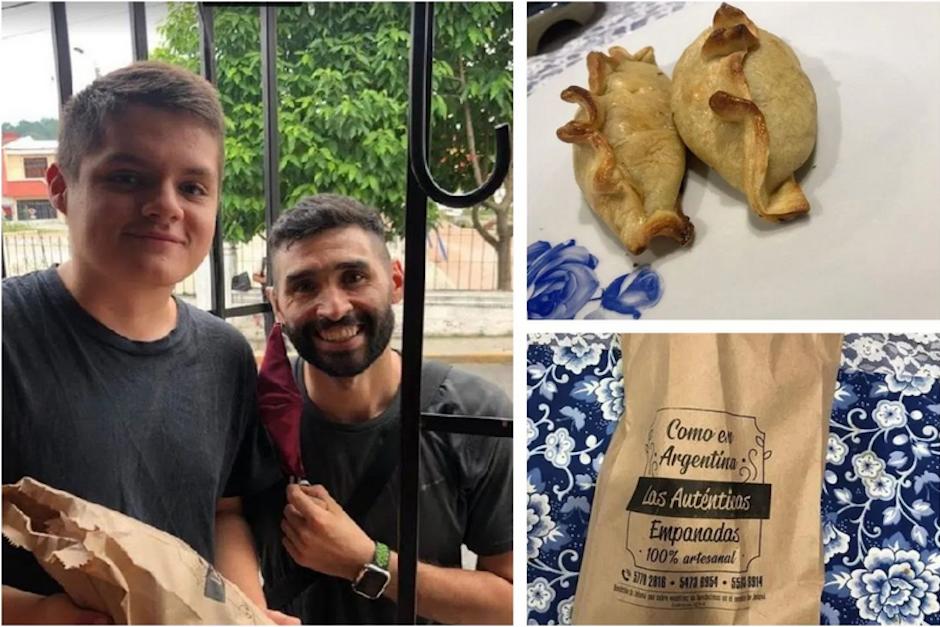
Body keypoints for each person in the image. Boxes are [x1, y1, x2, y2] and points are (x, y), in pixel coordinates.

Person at [2, 62, 294, 624]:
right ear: (62, 188)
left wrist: (244, 612)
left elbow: (223, 510)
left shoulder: (225, 354)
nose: (166, 204)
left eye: (192, 186)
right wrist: (40, 616)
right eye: (128, 177)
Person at [249, 194, 513, 624]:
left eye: (354, 277)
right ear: (277, 303)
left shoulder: (473, 413)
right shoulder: (255, 411)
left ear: (395, 281)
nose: (334, 308)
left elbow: (508, 602)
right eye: (303, 286)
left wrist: (367, 561)